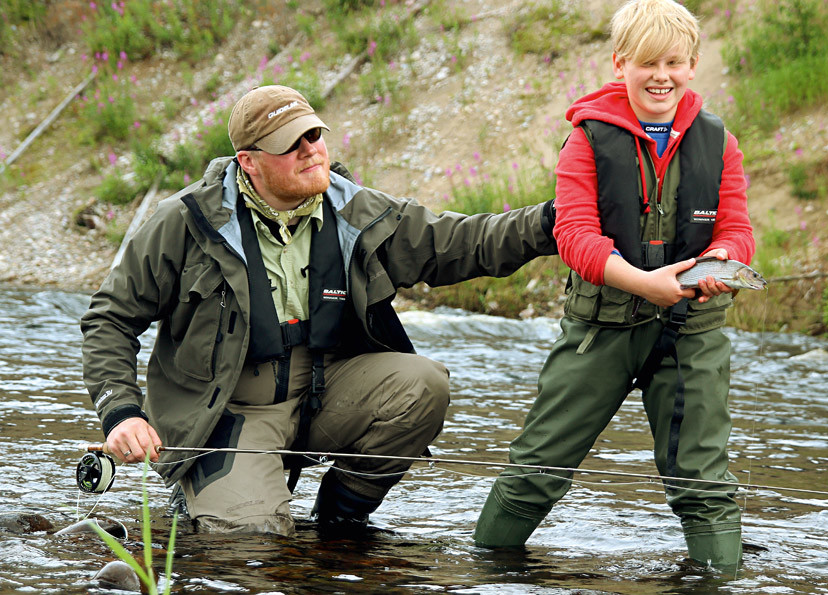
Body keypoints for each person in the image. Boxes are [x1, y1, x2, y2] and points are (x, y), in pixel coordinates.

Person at [81, 84, 557, 536]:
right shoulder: (186, 221)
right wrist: (121, 413)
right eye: (292, 144)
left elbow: (463, 243)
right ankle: (205, 490)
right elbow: (110, 318)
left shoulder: (357, 211)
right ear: (248, 162)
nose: (311, 149)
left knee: (423, 385)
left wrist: (554, 220)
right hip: (228, 414)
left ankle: (338, 525)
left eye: (314, 135)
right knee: (253, 544)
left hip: (322, 396)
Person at [472, 0, 755, 570]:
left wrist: (725, 256)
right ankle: (484, 572)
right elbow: (574, 235)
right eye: (647, 63)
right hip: (599, 328)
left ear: (693, 65)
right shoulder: (585, 141)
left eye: (674, 63)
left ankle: (720, 580)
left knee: (705, 485)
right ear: (619, 64)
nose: (661, 76)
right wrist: (642, 282)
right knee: (536, 471)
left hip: (691, 330)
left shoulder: (719, 142)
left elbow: (738, 229)